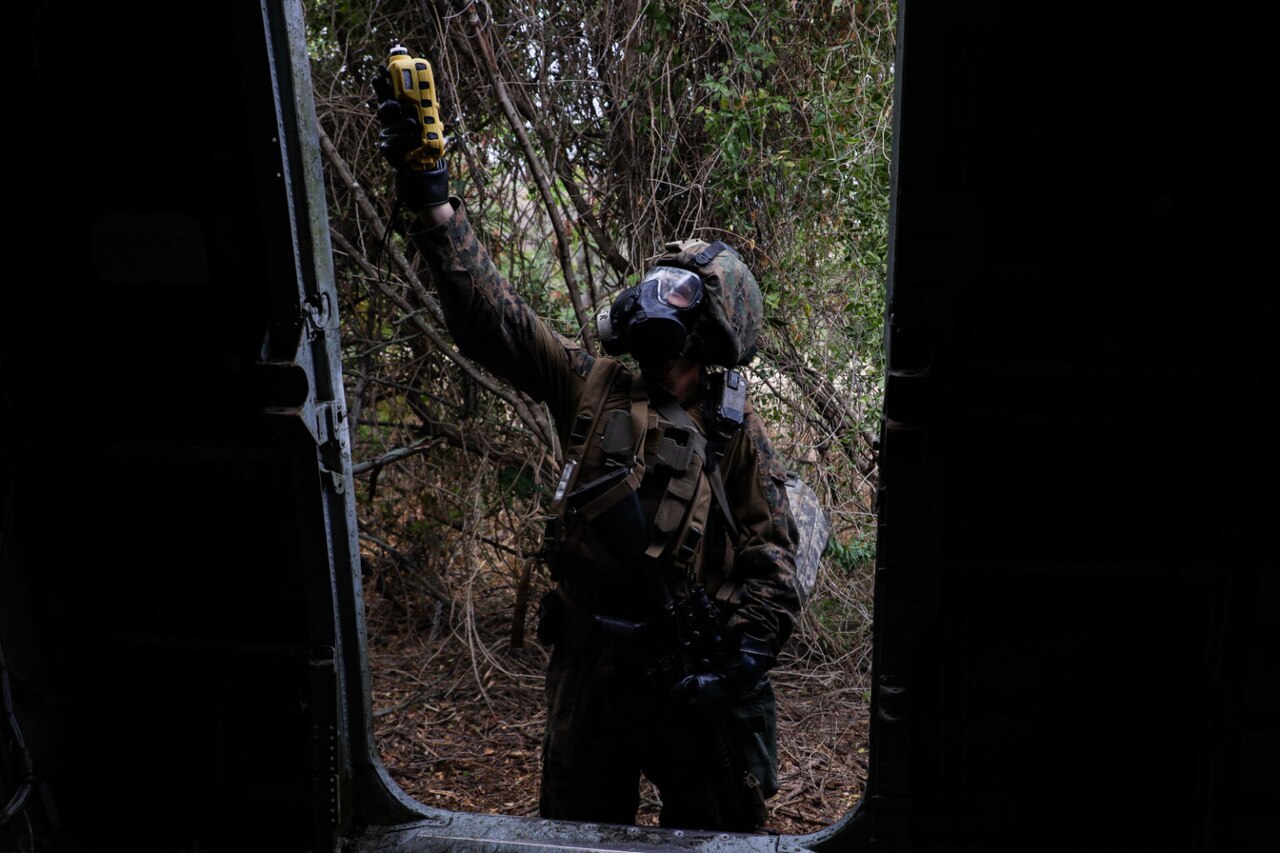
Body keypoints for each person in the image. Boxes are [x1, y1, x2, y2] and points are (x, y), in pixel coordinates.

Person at [373, 67, 800, 833]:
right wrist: (434, 201)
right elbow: (493, 321)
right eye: (658, 282)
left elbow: (773, 562)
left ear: (712, 330)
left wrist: (737, 661)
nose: (653, 296)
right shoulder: (592, 380)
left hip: (685, 678)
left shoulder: (737, 430)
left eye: (678, 291)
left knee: (717, 832)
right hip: (590, 672)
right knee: (571, 835)